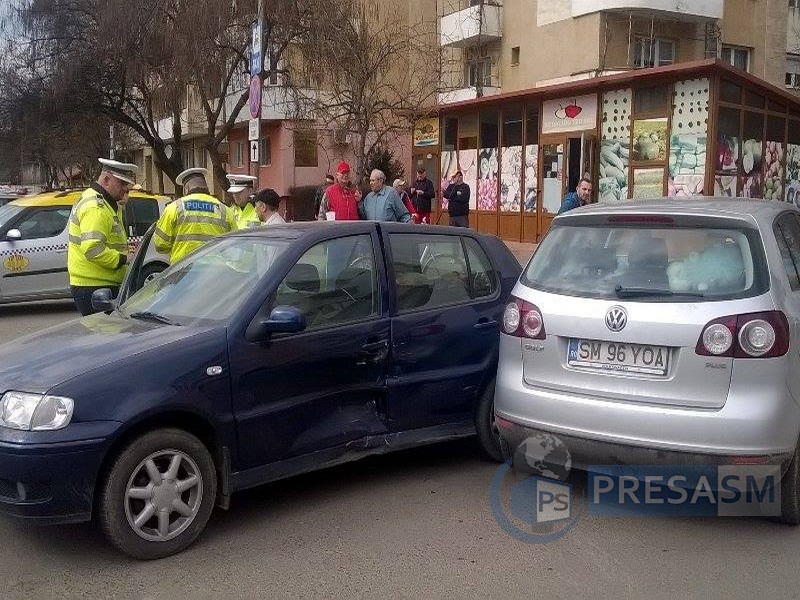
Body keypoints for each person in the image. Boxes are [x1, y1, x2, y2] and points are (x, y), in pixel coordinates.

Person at [68, 158, 138, 316]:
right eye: (122, 183)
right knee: (107, 335)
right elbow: (93, 249)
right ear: (106, 179)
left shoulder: (105, 203)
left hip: (97, 284)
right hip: (95, 286)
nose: (125, 188)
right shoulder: (96, 207)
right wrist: (124, 258)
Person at [154, 168, 236, 264]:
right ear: (206, 186)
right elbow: (235, 243)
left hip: (183, 269)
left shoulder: (174, 208)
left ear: (186, 188)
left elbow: (160, 244)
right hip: (215, 271)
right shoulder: (225, 210)